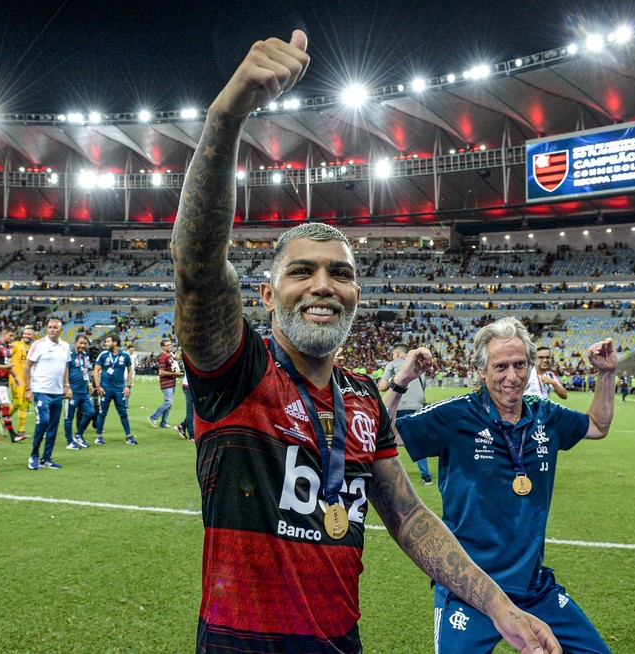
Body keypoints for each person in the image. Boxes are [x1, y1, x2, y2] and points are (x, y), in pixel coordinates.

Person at [170, 30, 559, 654]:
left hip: (340, 643)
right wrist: (226, 116)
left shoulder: (363, 402)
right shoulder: (237, 370)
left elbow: (407, 516)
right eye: (302, 271)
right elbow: (195, 263)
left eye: (341, 273)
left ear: (356, 296)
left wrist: (499, 606)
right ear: (266, 297)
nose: (323, 285)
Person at [395, 316, 616, 653]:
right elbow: (382, 435)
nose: (512, 377)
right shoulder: (455, 414)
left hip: (533, 585)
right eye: (500, 367)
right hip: (468, 587)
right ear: (481, 371)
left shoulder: (546, 415)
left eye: (519, 365)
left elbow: (598, 425)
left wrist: (606, 373)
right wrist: (401, 382)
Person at [378, 342, 433, 485]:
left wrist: (393, 379)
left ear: (396, 353)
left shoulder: (392, 364)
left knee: (387, 440)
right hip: (417, 406)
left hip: (399, 405)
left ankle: (388, 474)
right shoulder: (419, 364)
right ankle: (426, 476)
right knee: (418, 440)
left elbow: (382, 387)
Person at [24, 318, 71, 470]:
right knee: (43, 421)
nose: (51, 330)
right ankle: (34, 455)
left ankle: (47, 458)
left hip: (57, 392)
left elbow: (65, 367)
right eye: (49, 327)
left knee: (53, 426)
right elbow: (27, 367)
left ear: (60, 330)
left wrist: (66, 385)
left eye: (54, 327)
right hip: (41, 390)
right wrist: (28, 389)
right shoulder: (38, 345)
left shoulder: (65, 346)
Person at [92, 333, 137, 445]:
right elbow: (96, 371)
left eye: (108, 341)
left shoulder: (125, 356)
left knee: (123, 413)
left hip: (119, 389)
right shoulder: (103, 355)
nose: (106, 343)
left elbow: (130, 370)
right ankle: (98, 436)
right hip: (105, 389)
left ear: (115, 343)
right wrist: (98, 386)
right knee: (102, 413)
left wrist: (128, 386)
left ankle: (129, 436)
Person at [64, 333, 95, 450]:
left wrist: (89, 383)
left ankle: (79, 435)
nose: (82, 345)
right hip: (72, 392)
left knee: (91, 412)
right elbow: (64, 371)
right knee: (69, 417)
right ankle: (69, 441)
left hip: (84, 392)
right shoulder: (69, 355)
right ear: (75, 343)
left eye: (84, 344)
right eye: (80, 343)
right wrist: (67, 387)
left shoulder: (85, 356)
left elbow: (85, 371)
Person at [147, 338, 183, 429]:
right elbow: (161, 372)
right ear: (163, 347)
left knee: (169, 404)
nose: (169, 346)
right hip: (166, 383)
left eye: (170, 345)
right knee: (168, 402)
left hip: (172, 381)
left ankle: (164, 422)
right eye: (167, 345)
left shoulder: (170, 355)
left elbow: (173, 363)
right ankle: (153, 417)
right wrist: (175, 374)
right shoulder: (163, 356)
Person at [9, 325, 34, 437]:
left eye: (29, 334)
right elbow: (5, 355)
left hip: (27, 381)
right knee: (17, 403)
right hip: (16, 379)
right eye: (25, 333)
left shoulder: (33, 348)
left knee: (24, 405)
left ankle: (21, 431)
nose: (26, 336)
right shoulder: (16, 345)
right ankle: (5, 422)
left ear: (33, 336)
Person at [175, 366, 194, 441]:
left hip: (194, 386)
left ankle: (182, 425)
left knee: (194, 411)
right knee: (191, 411)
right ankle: (192, 434)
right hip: (189, 386)